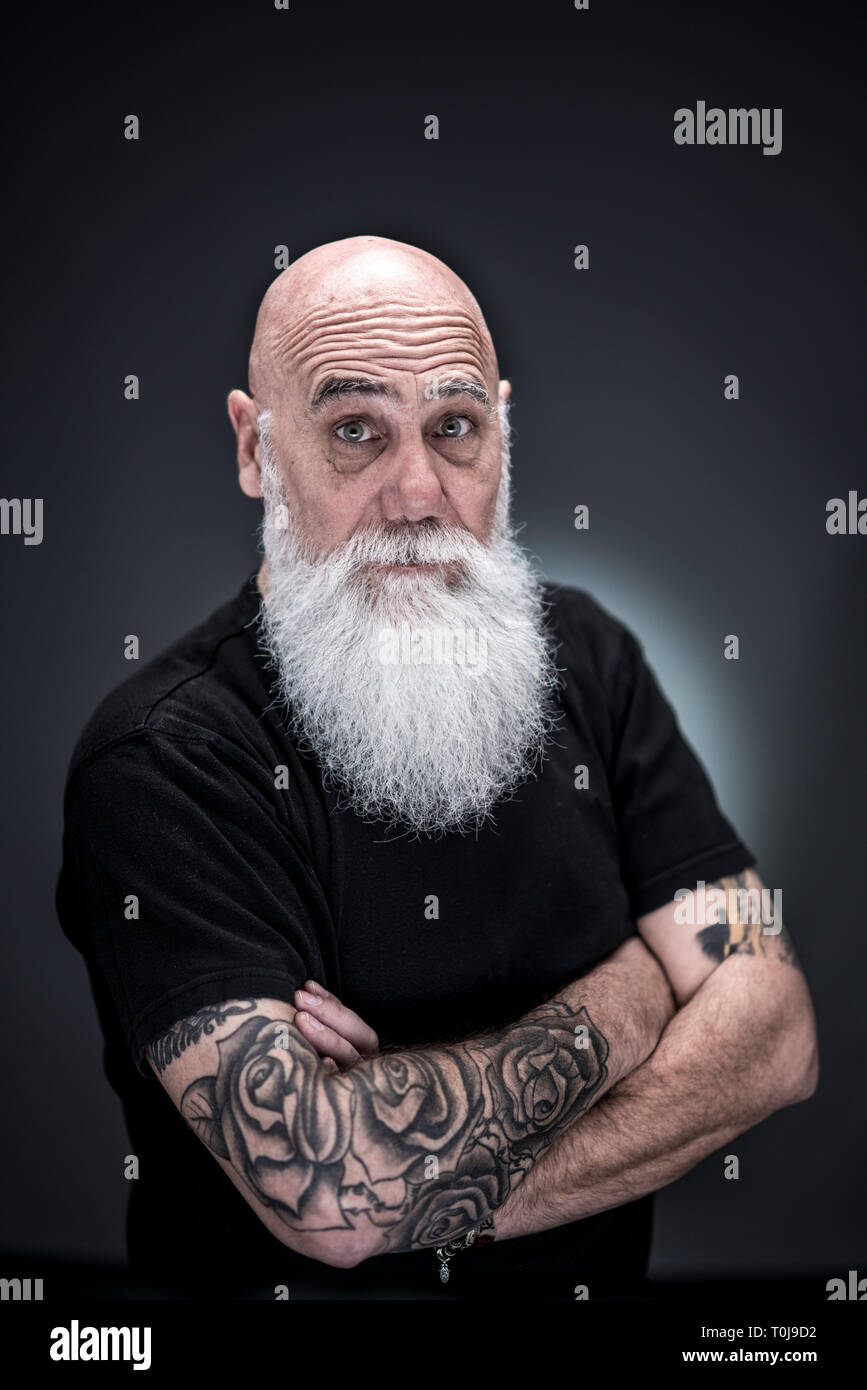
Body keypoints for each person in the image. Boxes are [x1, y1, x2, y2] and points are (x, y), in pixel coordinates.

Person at [56, 234, 818, 1300]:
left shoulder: (589, 656)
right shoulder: (166, 759)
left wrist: (419, 1176)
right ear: (255, 448)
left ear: (501, 426)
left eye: (456, 427)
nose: (419, 494)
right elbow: (329, 1196)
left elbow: (779, 1033)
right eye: (355, 429)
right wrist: (646, 990)